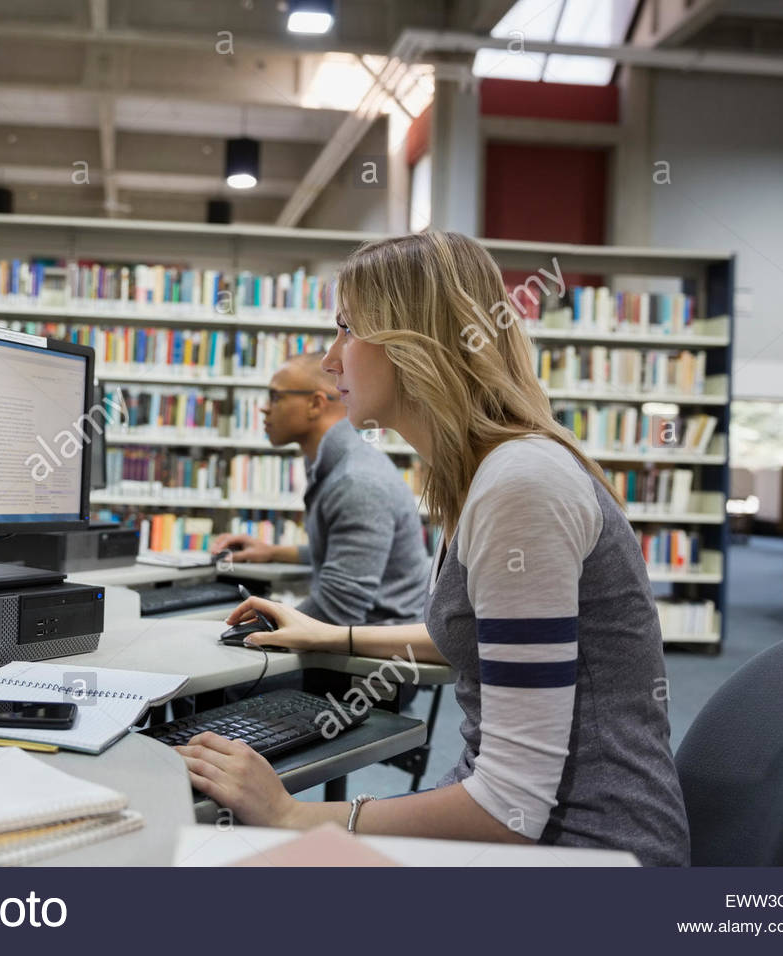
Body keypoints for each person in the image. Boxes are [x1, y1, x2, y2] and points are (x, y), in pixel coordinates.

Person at [177, 231, 691, 867]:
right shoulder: (483, 473)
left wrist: (294, 813)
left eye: (346, 329)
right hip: (544, 840)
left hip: (591, 853)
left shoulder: (520, 485)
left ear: (412, 342)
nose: (332, 359)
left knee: (215, 871)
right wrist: (330, 637)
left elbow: (511, 810)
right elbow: (486, 638)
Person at [210, 352, 428, 627]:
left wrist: (249, 628)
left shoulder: (356, 483)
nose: (264, 408)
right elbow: (341, 554)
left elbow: (336, 611)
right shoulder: (336, 464)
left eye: (275, 397)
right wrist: (272, 552)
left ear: (315, 404)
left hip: (376, 651)